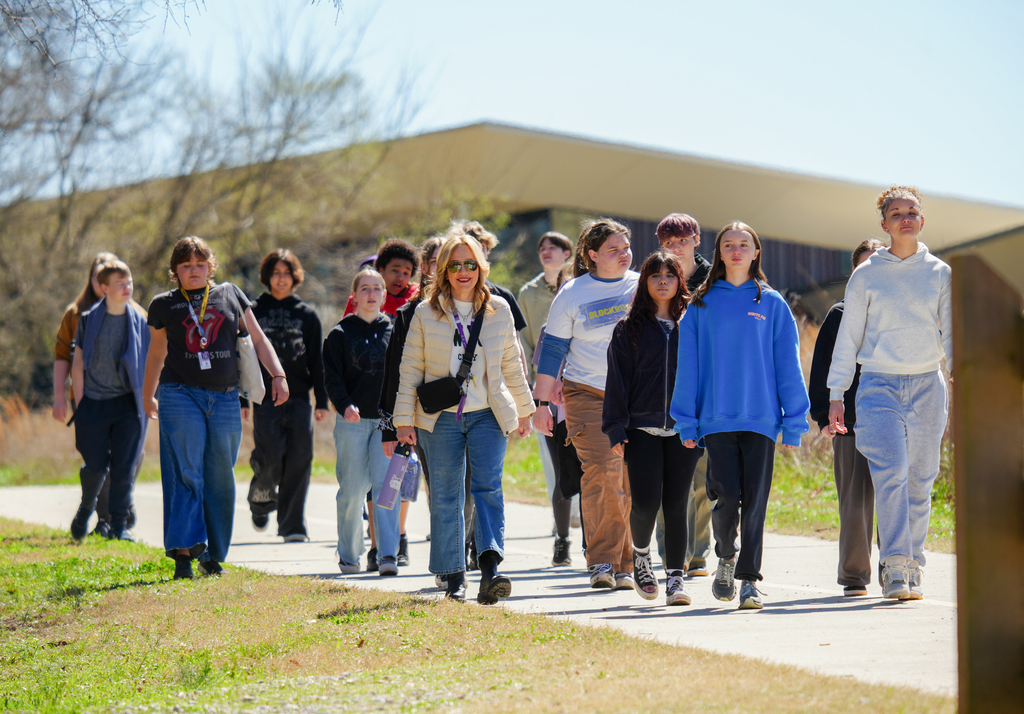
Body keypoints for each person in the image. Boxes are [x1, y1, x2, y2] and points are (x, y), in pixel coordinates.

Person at [671, 222, 810, 610]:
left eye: (743, 244)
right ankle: (726, 557)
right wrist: (687, 420)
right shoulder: (701, 303)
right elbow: (689, 367)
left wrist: (794, 422)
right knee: (725, 495)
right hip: (716, 419)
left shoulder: (772, 303)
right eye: (728, 244)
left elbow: (788, 365)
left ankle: (749, 580)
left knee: (756, 500)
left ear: (756, 252)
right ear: (718, 252)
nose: (736, 250)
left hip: (762, 419)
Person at [394, 232, 534, 603]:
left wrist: (524, 410)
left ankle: (490, 569)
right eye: (454, 265)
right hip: (440, 418)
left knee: (488, 487)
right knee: (445, 495)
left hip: (487, 412)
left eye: (470, 264)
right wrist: (403, 418)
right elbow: (410, 368)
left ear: (481, 268)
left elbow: (511, 364)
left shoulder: (499, 309)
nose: (463, 271)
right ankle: (454, 576)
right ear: (443, 270)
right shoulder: (425, 312)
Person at [828, 186, 952, 601]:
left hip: (926, 384)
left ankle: (913, 563)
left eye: (911, 212)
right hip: (878, 384)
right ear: (884, 224)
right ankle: (895, 566)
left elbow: (951, 332)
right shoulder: (866, 275)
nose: (904, 218)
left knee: (920, 479)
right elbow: (849, 337)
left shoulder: (939, 272)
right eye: (895, 213)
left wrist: (960, 378)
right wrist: (836, 394)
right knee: (891, 474)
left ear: (922, 220)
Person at [143, 236, 289, 581]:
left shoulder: (230, 295)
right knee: (187, 472)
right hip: (179, 393)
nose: (193, 271)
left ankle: (212, 554)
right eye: (185, 266)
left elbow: (257, 337)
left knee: (220, 476)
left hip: (224, 397)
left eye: (199, 264)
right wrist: (147, 395)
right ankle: (183, 554)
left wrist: (278, 375)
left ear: (211, 266)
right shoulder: (163, 304)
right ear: (175, 271)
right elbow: (155, 354)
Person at [534, 219, 639, 591]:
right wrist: (542, 403)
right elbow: (553, 350)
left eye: (626, 248)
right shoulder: (572, 293)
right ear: (592, 255)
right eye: (614, 249)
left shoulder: (642, 285)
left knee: (627, 478)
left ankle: (627, 561)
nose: (624, 255)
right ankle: (604, 562)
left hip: (635, 397)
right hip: (587, 393)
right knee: (601, 471)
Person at [603, 251, 699, 606]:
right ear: (644, 281)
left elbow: (706, 376)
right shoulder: (629, 328)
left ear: (679, 281)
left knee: (676, 503)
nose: (663, 281)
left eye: (670, 275)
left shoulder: (693, 324)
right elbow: (617, 381)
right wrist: (615, 427)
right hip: (641, 429)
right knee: (644, 504)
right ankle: (641, 555)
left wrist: (703, 422)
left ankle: (675, 578)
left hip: (685, 428)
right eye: (655, 275)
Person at [809, 239, 885, 597]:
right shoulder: (839, 314)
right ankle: (854, 577)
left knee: (894, 502)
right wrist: (823, 415)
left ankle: (896, 570)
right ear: (853, 273)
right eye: (863, 266)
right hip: (850, 423)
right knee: (855, 506)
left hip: (892, 422)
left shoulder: (898, 313)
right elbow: (822, 367)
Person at [242, 249, 329, 543]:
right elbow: (243, 357)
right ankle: (261, 498)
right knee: (270, 457)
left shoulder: (307, 314)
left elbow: (317, 361)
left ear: (295, 277)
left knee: (300, 458)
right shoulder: (254, 311)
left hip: (301, 397)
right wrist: (243, 399)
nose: (282, 278)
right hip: (264, 398)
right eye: (276, 273)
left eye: (287, 273)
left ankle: (292, 526)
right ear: (268, 276)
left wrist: (323, 401)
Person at [324, 269, 398, 575]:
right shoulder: (339, 333)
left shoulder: (395, 332)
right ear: (354, 296)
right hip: (352, 422)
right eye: (365, 288)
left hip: (387, 424)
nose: (371, 293)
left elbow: (401, 378)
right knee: (353, 491)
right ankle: (349, 556)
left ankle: (388, 555)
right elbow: (332, 377)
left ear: (384, 295)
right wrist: (344, 405)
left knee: (386, 490)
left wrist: (397, 420)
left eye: (377, 288)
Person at [69, 259, 150, 542]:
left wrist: (149, 398)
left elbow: (151, 362)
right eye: (120, 284)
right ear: (104, 288)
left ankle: (119, 526)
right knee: (95, 466)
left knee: (124, 467)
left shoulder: (140, 320)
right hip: (94, 403)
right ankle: (86, 508)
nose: (127, 288)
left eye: (129, 282)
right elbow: (77, 363)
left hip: (128, 404)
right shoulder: (88, 319)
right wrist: (80, 404)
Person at [379, 235, 444, 567]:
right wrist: (390, 426)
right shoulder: (409, 311)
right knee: (404, 478)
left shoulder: (476, 305)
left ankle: (462, 549)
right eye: (434, 261)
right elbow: (396, 371)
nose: (441, 268)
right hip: (413, 413)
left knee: (453, 487)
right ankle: (396, 539)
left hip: (459, 411)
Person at [655, 213, 714, 577]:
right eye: (669, 241)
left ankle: (699, 555)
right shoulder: (658, 276)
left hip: (708, 387)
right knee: (669, 480)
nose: (677, 247)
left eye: (683, 239)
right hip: (664, 388)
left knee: (705, 479)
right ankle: (670, 554)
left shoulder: (716, 279)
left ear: (696, 239)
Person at [53, 251, 122, 537]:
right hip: (84, 400)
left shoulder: (133, 311)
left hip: (121, 400)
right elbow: (61, 357)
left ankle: (109, 518)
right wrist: (59, 396)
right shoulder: (74, 313)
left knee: (121, 456)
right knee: (95, 458)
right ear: (92, 278)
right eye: (98, 275)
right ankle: (90, 507)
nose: (103, 281)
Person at [518, 230, 577, 566]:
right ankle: (563, 540)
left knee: (596, 475)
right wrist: (538, 403)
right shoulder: (547, 326)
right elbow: (539, 359)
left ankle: (595, 543)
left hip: (592, 405)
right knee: (562, 475)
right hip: (555, 408)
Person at [343, 238, 419, 317]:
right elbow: (345, 327)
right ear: (381, 270)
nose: (400, 277)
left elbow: (409, 308)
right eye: (395, 270)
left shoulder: (414, 293)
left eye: (406, 273)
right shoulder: (356, 301)